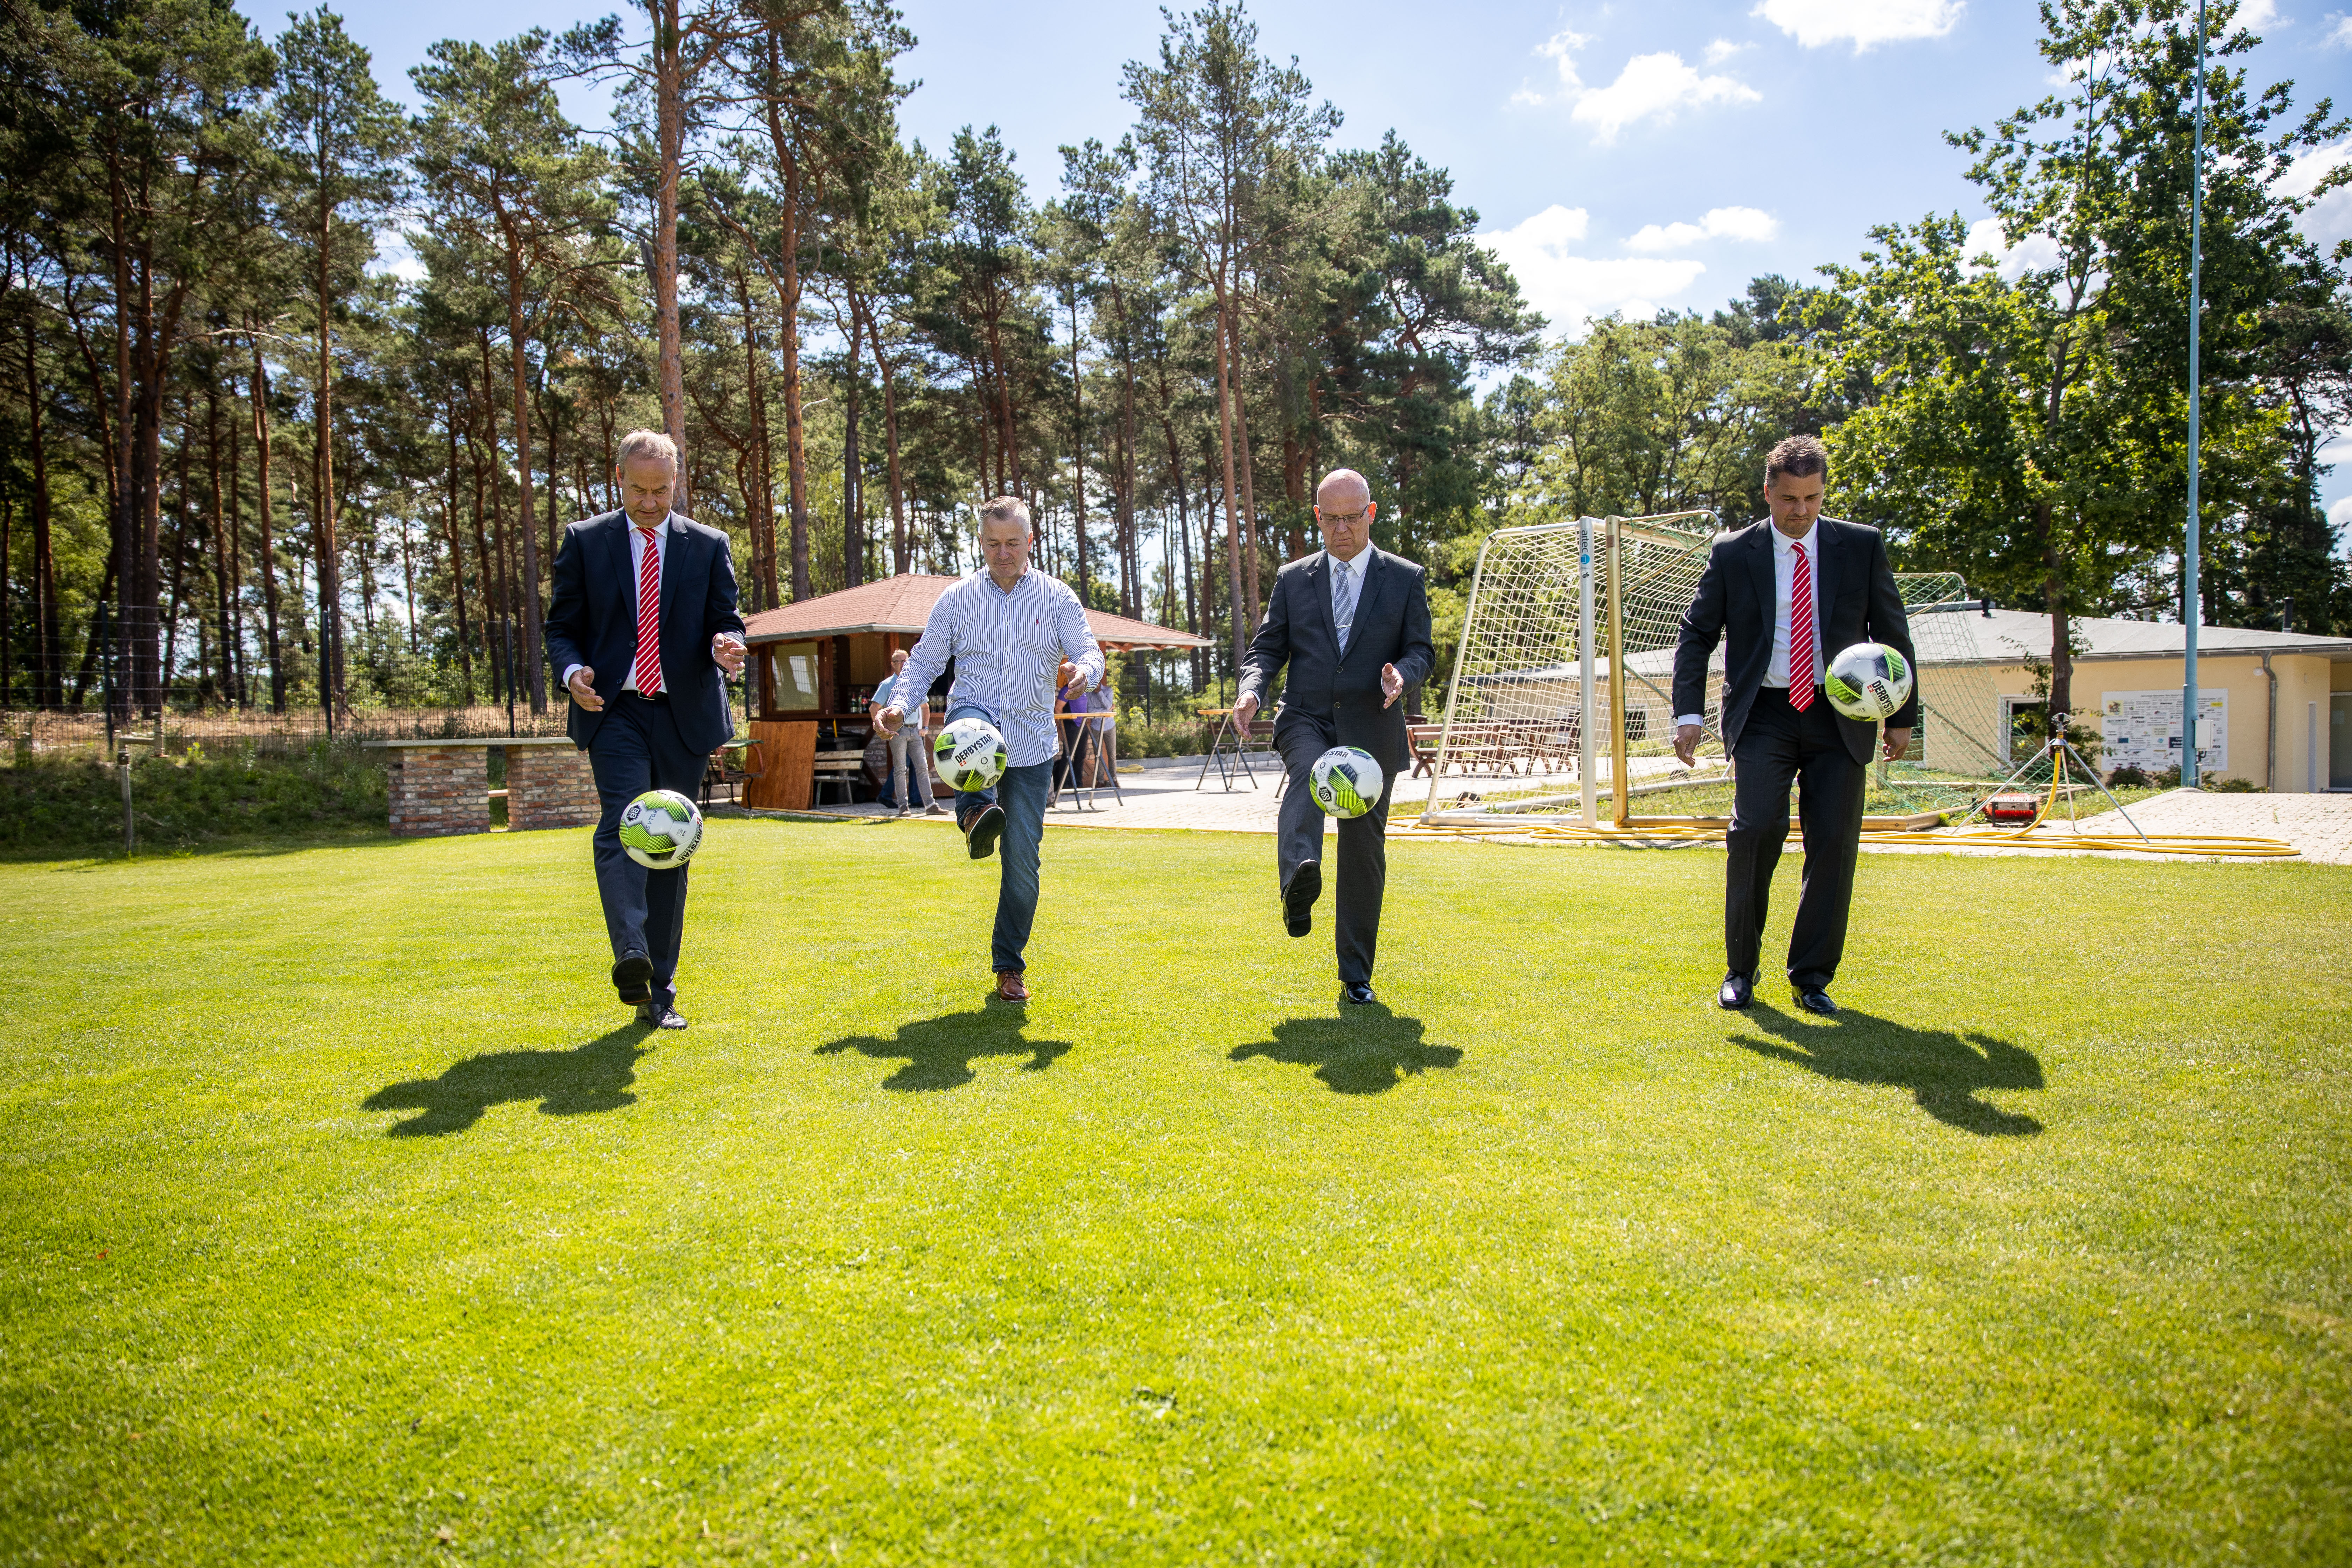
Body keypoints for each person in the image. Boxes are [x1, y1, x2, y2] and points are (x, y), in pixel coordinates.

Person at [1671, 434, 1917, 1017]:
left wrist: (1902, 716)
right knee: (1755, 830)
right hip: (1764, 713)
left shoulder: (1861, 545)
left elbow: (1892, 630)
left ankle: (1811, 977)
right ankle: (1740, 970)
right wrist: (1689, 714)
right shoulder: (1734, 552)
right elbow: (1697, 634)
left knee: (1833, 842)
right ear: (1768, 492)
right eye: (1789, 499)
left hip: (1841, 716)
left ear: (1823, 493)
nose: (1801, 510)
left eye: (1812, 498)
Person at [545, 429, 747, 1029]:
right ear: (620, 479)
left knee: (670, 846)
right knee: (623, 822)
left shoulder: (708, 545)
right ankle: (631, 954)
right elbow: (562, 628)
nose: (651, 502)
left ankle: (659, 991)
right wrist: (572, 672)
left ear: (676, 482)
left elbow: (726, 618)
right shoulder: (586, 541)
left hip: (685, 715)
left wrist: (726, 644)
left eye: (662, 490)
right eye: (639, 490)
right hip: (614, 709)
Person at [874, 497, 1104, 1002]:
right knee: (973, 728)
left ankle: (1009, 966)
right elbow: (924, 662)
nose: (1003, 553)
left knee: (1023, 865)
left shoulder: (1056, 597)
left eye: (1013, 543)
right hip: (973, 718)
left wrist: (1082, 672)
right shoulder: (957, 599)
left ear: (1030, 541)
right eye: (994, 544)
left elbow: (1090, 651)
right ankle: (976, 812)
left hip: (1032, 745)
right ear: (981, 542)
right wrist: (898, 705)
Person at [1233, 468, 1434, 1007]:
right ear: (1317, 518)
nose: (1342, 529)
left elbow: (1421, 650)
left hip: (1373, 726)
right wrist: (1251, 691)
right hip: (1307, 716)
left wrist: (1402, 676)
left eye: (1352, 518)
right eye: (1331, 520)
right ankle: (1300, 880)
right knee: (1309, 772)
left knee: (1363, 851)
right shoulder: (1294, 578)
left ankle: (1356, 974)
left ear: (1371, 514)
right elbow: (1267, 648)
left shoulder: (1405, 578)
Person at [868, 648, 940, 818]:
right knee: (901, 769)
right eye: (899, 661)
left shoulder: (913, 683)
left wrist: (925, 728)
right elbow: (874, 708)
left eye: (905, 661)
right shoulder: (887, 685)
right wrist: (883, 728)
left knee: (923, 768)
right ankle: (903, 807)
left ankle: (931, 805)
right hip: (898, 733)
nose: (903, 664)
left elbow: (925, 707)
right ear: (893, 665)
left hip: (915, 730)